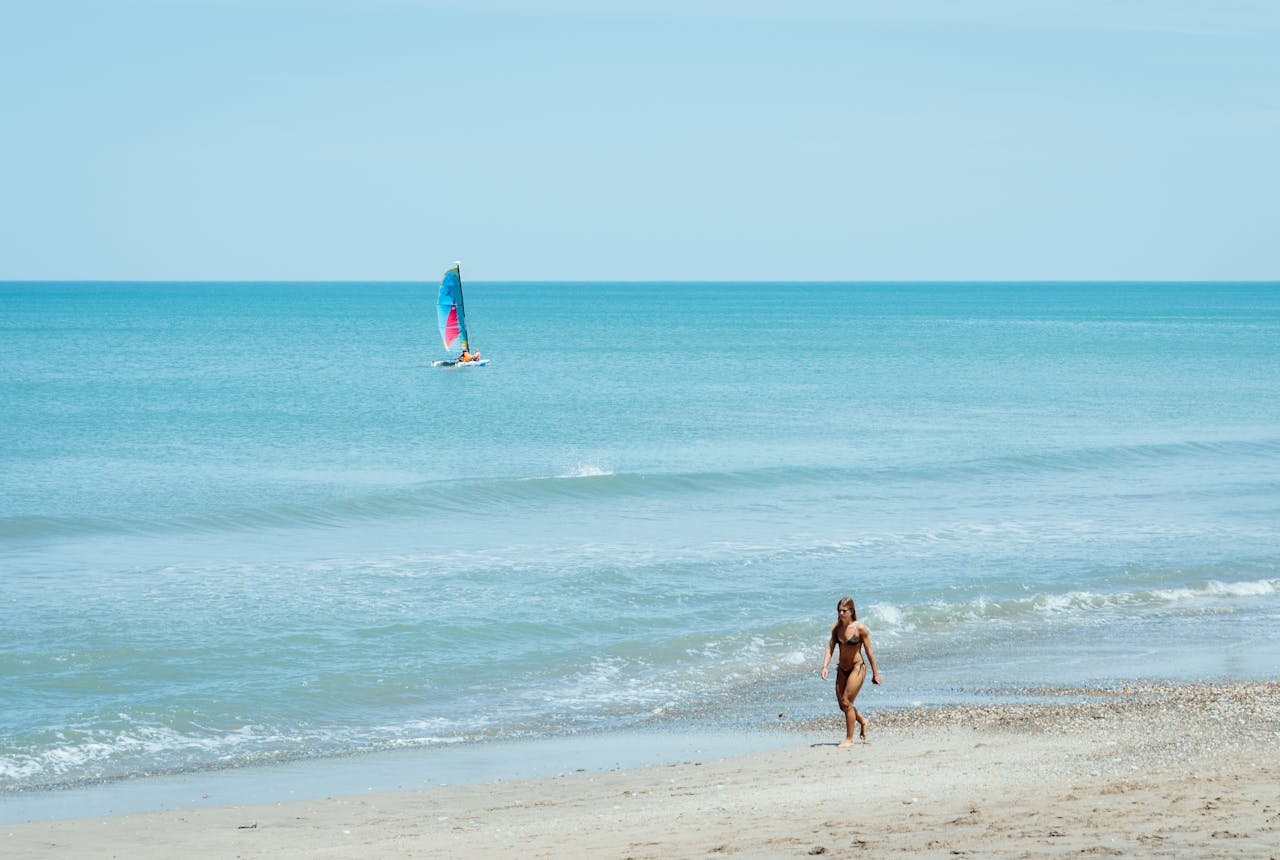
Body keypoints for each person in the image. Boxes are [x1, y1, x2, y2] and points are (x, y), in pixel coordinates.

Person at [820, 596, 882, 748]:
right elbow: (830, 648)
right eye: (839, 610)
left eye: (844, 611)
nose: (841, 613)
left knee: (847, 702)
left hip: (857, 668)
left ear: (851, 611)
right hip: (842, 669)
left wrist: (875, 673)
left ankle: (849, 739)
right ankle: (862, 721)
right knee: (843, 705)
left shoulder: (860, 628)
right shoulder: (836, 628)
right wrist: (825, 666)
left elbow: (869, 652)